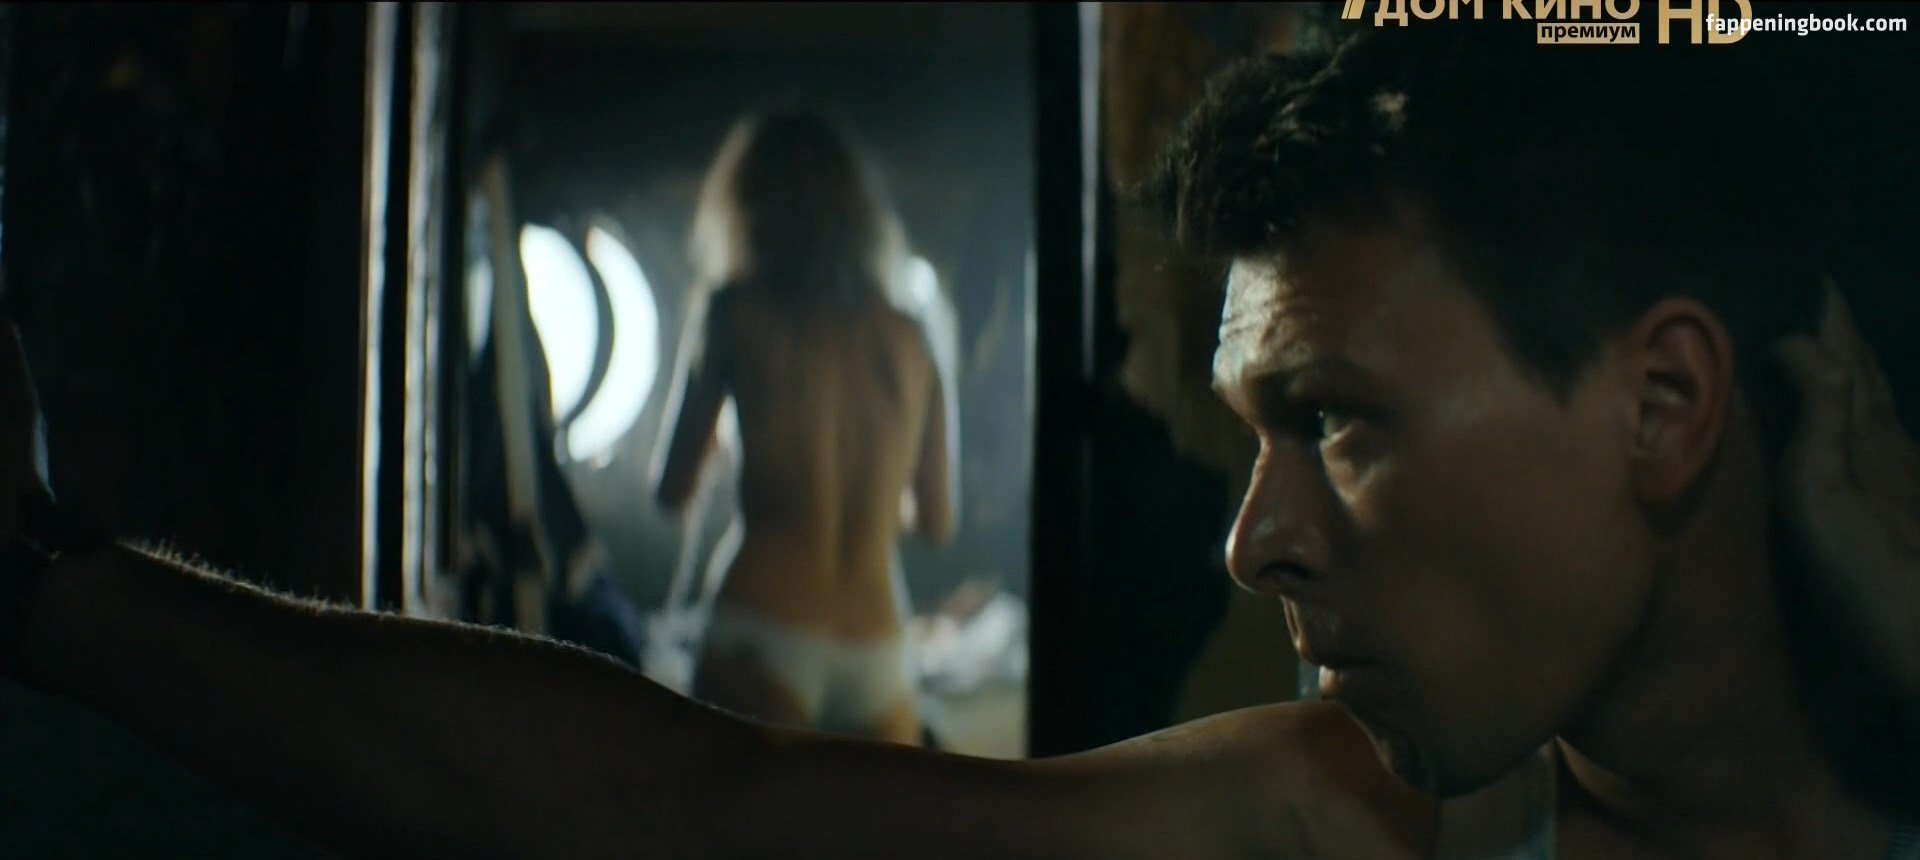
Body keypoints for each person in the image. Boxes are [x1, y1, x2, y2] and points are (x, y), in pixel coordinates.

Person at [2, 25, 1917, 859]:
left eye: (1335, 420)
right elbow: (687, 815)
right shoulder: (1350, 817)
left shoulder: (743, 322)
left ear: (1666, 406)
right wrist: (50, 592)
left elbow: (686, 576)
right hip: (870, 650)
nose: (1252, 539)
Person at [651, 108, 956, 743]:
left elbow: (672, 489)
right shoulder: (912, 336)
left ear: (746, 206)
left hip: (764, 626)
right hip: (877, 644)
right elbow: (935, 522)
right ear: (861, 216)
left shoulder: (732, 313)